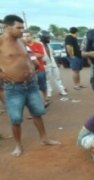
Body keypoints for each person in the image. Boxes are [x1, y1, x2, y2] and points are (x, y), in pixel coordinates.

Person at [0, 15, 60, 157]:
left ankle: (44, 139)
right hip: (14, 88)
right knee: (15, 119)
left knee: (38, 113)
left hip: (31, 85)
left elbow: (30, 54)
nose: (22, 30)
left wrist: (33, 65)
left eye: (22, 27)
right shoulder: (1, 41)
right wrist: (1, 75)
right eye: (18, 27)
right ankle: (18, 146)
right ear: (7, 27)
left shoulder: (21, 41)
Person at [38, 31, 68, 99]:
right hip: (45, 64)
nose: (49, 39)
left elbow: (52, 54)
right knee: (47, 79)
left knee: (57, 77)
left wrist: (57, 62)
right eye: (47, 38)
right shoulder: (39, 45)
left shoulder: (48, 45)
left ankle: (61, 90)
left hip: (53, 63)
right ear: (43, 38)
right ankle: (49, 92)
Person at [22, 31, 48, 106]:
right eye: (24, 36)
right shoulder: (21, 46)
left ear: (32, 36)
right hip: (28, 70)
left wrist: (29, 55)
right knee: (31, 87)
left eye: (27, 36)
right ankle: (36, 103)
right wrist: (33, 55)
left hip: (39, 68)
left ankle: (45, 99)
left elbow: (40, 55)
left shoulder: (38, 45)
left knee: (42, 85)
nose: (26, 38)